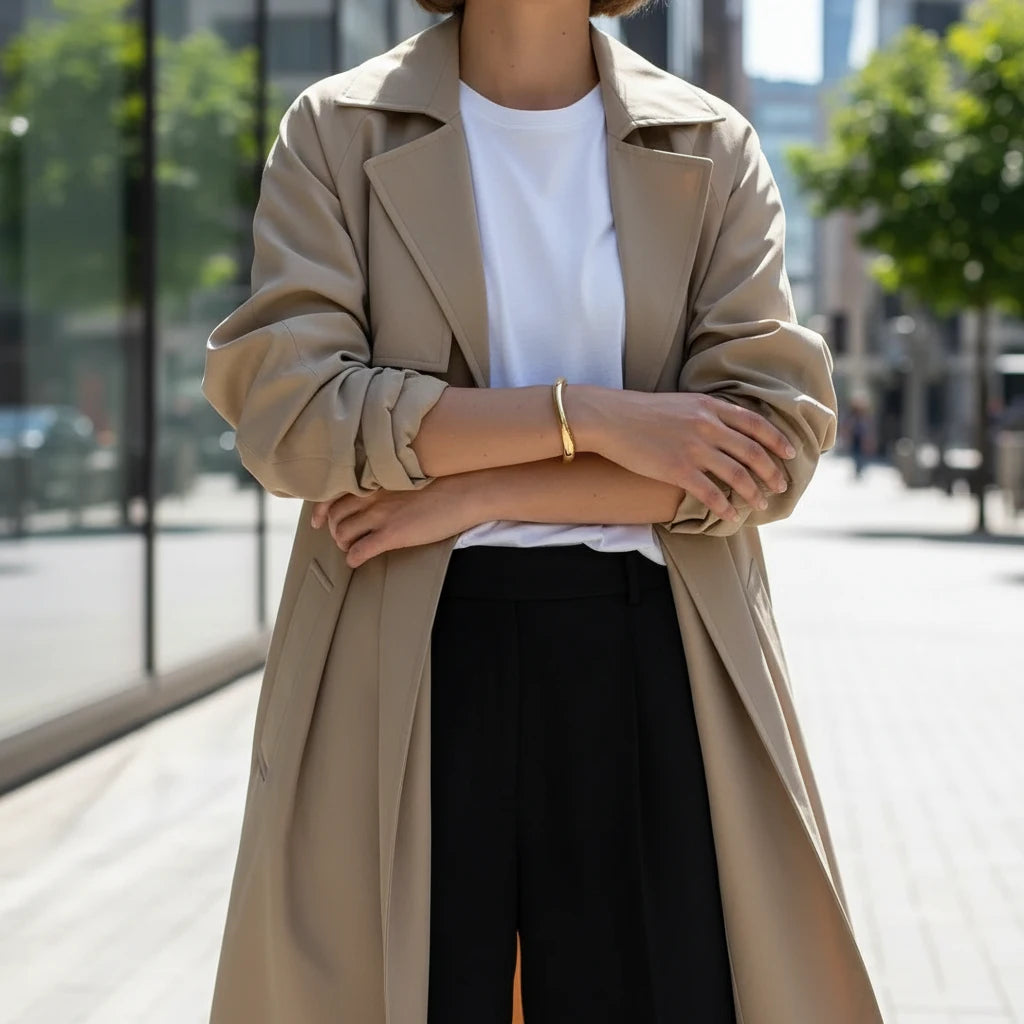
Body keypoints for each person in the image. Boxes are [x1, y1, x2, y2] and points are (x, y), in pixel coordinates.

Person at [201, 2, 887, 1022]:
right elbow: (293, 417)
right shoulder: (339, 129)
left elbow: (764, 450)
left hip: (652, 651)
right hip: (405, 650)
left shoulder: (707, 142)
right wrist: (598, 417)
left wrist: (479, 489)